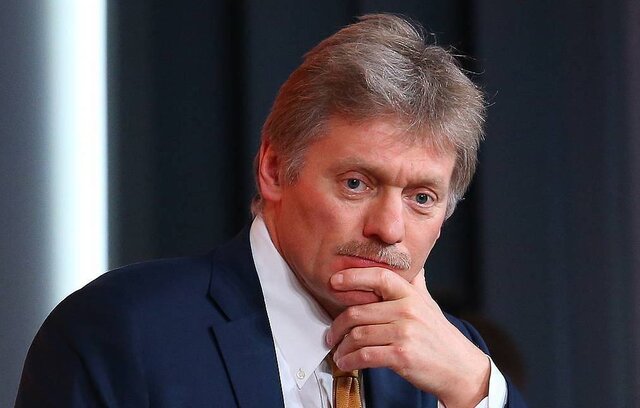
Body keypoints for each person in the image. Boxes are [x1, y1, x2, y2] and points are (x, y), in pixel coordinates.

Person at [16, 14, 527, 408]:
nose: (389, 229)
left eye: (421, 198)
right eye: (356, 183)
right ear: (274, 170)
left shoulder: (456, 360)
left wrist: (475, 387)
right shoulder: (122, 329)